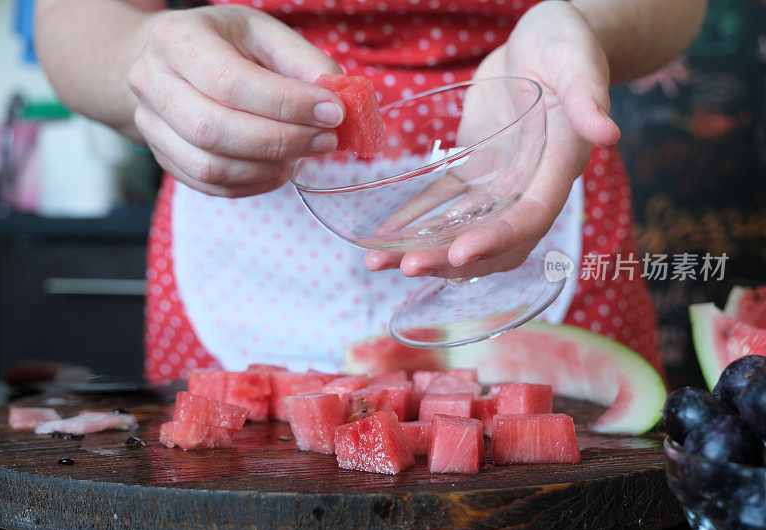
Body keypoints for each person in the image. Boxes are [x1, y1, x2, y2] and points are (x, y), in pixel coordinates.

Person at [35, 0, 706, 382]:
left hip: (537, 176)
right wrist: (141, 60)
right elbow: (80, 21)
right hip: (245, 250)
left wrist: (586, 22)